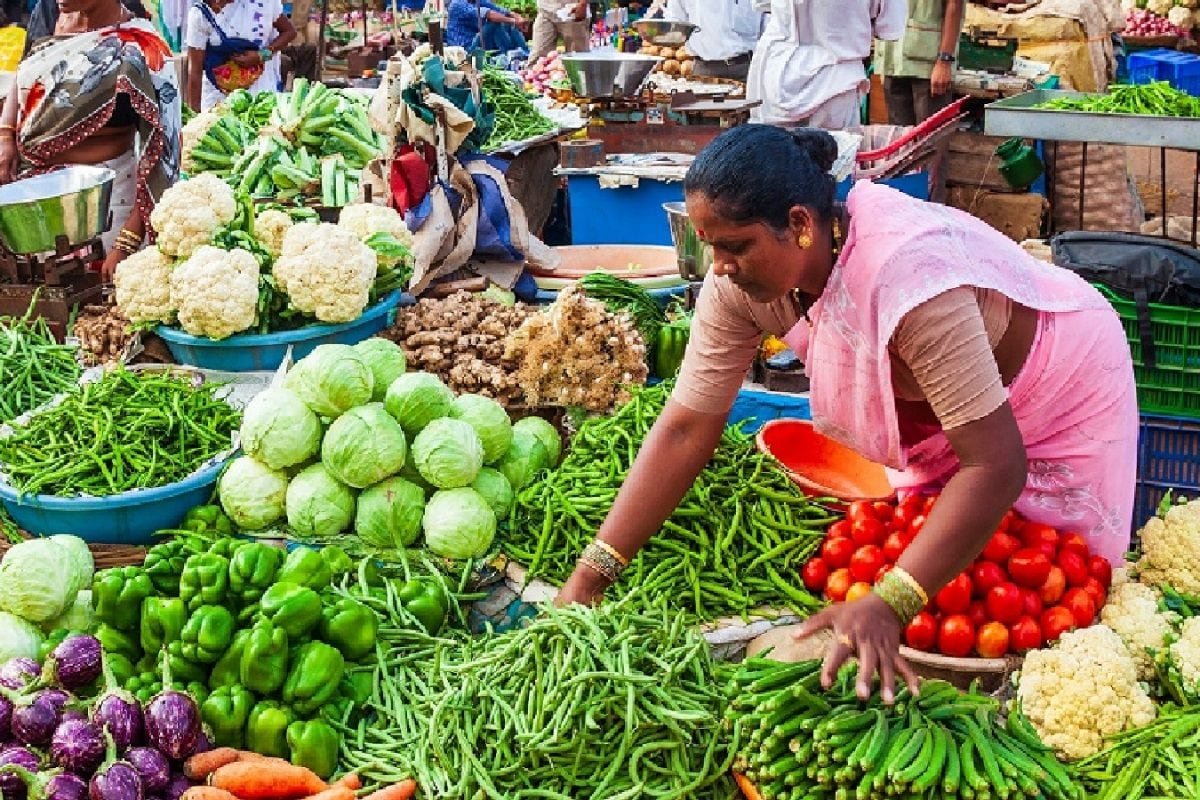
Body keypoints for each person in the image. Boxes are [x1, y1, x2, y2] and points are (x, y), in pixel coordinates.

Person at [555, 125, 1138, 701]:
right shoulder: (738, 286)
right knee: (959, 576)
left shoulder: (906, 275)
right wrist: (590, 578)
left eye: (735, 246)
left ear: (802, 226)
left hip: (1058, 385)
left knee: (1057, 594)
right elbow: (686, 428)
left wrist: (891, 600)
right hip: (946, 416)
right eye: (711, 246)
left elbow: (993, 466)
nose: (720, 266)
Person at [0, 0, 181, 277]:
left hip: (102, 206)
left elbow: (165, 156)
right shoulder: (49, 12)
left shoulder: (143, 44)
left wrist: (127, 244)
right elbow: (25, 68)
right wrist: (6, 135)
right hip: (31, 198)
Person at [747, 0, 906, 130]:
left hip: (777, 74)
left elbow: (761, 4)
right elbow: (890, 27)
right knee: (833, 163)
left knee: (771, 160)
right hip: (836, 81)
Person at [184, 0, 296, 112]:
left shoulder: (263, 3)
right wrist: (194, 116)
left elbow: (289, 32)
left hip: (260, 97)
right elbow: (195, 70)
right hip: (217, 101)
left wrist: (261, 55)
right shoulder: (200, 14)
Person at [875, 0, 964, 126]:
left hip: (928, 65)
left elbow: (954, 3)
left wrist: (944, 61)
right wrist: (883, 60)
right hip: (892, 60)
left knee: (930, 139)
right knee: (900, 139)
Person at [661, 0, 763, 83]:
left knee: (750, 108)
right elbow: (675, 23)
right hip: (704, 70)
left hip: (746, 68)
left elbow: (768, 20)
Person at [445, 0, 525, 51]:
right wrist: (513, 21)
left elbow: (499, 9)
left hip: (476, 41)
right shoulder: (457, 4)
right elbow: (489, 14)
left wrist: (518, 18)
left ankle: (523, 51)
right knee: (495, 23)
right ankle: (509, 52)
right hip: (465, 48)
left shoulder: (476, 1)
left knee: (506, 21)